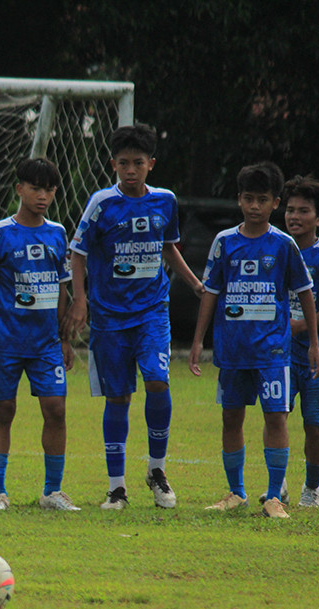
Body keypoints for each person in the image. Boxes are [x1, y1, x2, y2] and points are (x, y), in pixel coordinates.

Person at [63, 123, 203, 510]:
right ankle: (116, 487)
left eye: (137, 163)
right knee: (119, 396)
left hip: (151, 311)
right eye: (123, 163)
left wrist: (193, 283)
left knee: (158, 381)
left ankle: (156, 471)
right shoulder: (102, 204)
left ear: (150, 164)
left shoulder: (165, 201)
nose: (130, 170)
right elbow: (78, 252)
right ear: (113, 165)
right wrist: (80, 299)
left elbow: (168, 247)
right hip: (109, 316)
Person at [189, 162, 319, 519]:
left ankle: (274, 495)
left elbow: (305, 292)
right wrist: (199, 340)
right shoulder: (225, 242)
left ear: (274, 203)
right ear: (239, 200)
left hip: (273, 351)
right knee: (231, 418)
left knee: (276, 417)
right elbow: (211, 292)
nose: (254, 206)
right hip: (232, 350)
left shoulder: (283, 244)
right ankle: (236, 492)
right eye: (248, 199)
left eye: (262, 200)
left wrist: (312, 342)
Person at [0, 157, 79, 512]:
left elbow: (63, 288)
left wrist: (65, 339)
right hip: (5, 341)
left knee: (56, 409)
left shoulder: (58, 233)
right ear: (19, 189)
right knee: (3, 410)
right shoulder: (0, 233)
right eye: (35, 188)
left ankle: (52, 491)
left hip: (46, 343)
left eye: (48, 189)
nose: (42, 196)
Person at [255, 176, 319, 507]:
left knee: (315, 424)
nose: (294, 216)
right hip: (278, 350)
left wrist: (301, 326)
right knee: (275, 416)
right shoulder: (273, 248)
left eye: (303, 211)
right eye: (290, 209)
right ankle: (276, 485)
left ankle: (312, 488)